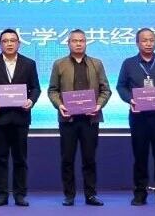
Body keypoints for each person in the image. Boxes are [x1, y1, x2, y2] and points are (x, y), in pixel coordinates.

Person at [47, 29, 110, 207]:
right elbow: (52, 90)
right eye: (74, 41)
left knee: (89, 159)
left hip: (90, 119)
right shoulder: (59, 64)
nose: (78, 44)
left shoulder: (96, 64)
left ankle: (91, 195)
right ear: (68, 43)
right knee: (67, 159)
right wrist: (60, 105)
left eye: (81, 41)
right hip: (68, 120)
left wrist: (98, 105)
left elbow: (106, 90)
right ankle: (69, 195)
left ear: (86, 43)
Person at [116, 28, 155, 206]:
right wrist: (130, 100)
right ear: (137, 43)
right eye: (144, 40)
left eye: (151, 40)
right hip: (138, 117)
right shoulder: (129, 63)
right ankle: (140, 193)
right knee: (140, 157)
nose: (148, 43)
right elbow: (121, 86)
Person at [0, 28, 41, 207]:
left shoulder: (29, 64)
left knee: (20, 158)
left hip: (21, 117)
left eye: (12, 41)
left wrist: (31, 100)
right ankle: (2, 194)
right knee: (1, 158)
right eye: (5, 41)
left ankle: (20, 194)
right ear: (0, 45)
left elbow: (36, 88)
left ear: (19, 43)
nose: (9, 44)